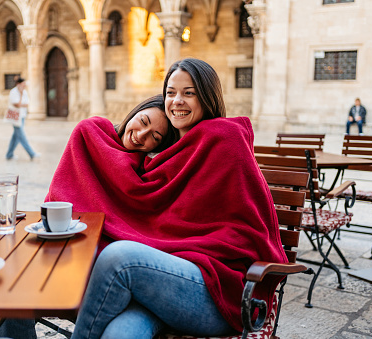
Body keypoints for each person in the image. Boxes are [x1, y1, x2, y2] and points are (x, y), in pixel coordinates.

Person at [45, 58, 287, 338]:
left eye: (189, 93)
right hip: (160, 286)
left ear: (207, 97)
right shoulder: (165, 156)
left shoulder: (224, 137)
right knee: (121, 333)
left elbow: (248, 226)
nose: (177, 101)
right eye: (171, 92)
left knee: (120, 257)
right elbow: (155, 223)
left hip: (216, 289)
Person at [0, 94, 177, 339]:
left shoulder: (147, 171)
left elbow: (137, 221)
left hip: (100, 261)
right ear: (135, 112)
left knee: (9, 278)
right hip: (58, 243)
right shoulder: (91, 133)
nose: (141, 135)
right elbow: (59, 196)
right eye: (143, 121)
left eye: (154, 137)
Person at [5, 77, 41, 160]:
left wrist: (21, 102)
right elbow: (17, 104)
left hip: (22, 116)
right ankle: (31, 153)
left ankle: (9, 154)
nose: (24, 85)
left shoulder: (24, 92)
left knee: (16, 137)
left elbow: (26, 103)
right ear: (18, 84)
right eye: (23, 84)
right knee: (21, 136)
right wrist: (20, 96)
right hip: (15, 117)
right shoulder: (13, 92)